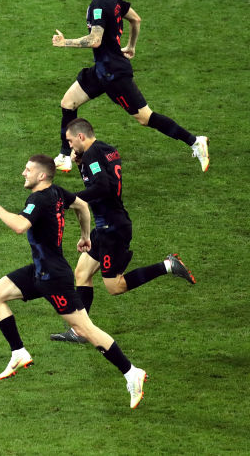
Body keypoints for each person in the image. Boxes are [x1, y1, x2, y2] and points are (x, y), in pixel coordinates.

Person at [0, 154, 147, 409]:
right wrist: (85, 236)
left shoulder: (38, 199)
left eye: (28, 170)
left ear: (41, 175)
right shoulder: (57, 192)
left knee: (85, 330)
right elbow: (81, 205)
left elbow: (19, 226)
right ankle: (18, 352)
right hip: (40, 271)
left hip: (54, 278)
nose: (23, 173)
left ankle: (131, 372)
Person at [52, 0, 209, 173]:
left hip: (114, 75)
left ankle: (195, 141)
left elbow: (95, 39)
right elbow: (136, 19)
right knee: (68, 102)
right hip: (101, 70)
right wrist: (131, 46)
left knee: (145, 118)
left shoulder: (99, 5)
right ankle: (64, 156)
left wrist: (65, 42)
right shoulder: (113, 0)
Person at [50, 118, 196, 344]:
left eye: (70, 141)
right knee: (82, 273)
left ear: (81, 136)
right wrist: (80, 165)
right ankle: (80, 332)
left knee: (114, 286)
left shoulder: (92, 155)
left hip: (112, 228)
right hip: (107, 224)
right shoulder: (106, 149)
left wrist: (72, 199)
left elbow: (102, 187)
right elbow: (101, 179)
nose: (69, 146)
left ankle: (168, 265)